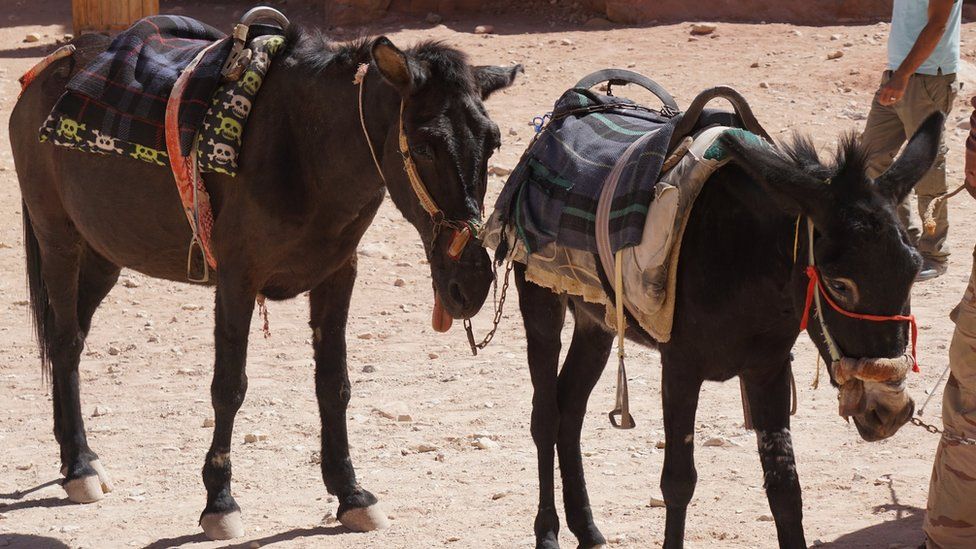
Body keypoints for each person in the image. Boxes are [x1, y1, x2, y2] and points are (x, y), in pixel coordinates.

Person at [862, 0, 961, 281]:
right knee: (871, 156)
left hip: (927, 79)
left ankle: (934, 253)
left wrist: (903, 75)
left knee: (929, 168)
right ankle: (904, 240)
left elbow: (938, 24)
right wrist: (898, 73)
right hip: (898, 74)